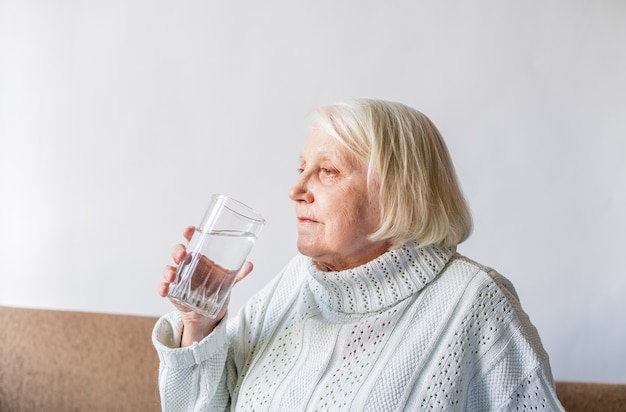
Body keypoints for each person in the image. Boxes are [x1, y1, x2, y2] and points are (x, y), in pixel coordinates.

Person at [153, 99, 565, 411]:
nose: (296, 191)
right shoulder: (297, 282)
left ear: (399, 191)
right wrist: (199, 324)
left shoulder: (474, 300)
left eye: (328, 171)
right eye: (301, 169)